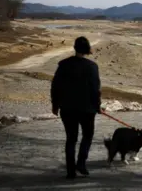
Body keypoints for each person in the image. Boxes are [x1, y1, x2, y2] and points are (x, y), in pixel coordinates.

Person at [51, 36, 102, 179]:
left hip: (67, 108)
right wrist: (97, 106)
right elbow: (95, 90)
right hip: (87, 109)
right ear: (87, 49)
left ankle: (70, 171)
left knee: (71, 139)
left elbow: (55, 86)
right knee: (87, 136)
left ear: (74, 48)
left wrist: (55, 105)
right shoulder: (92, 67)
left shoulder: (63, 65)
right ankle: (81, 163)